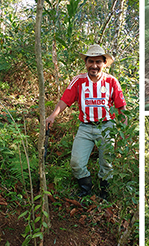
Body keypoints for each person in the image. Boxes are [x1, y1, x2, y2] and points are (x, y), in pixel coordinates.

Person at [44, 44, 127, 200]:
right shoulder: (79, 81)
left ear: (104, 63)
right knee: (76, 162)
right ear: (86, 62)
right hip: (85, 127)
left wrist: (124, 131)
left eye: (98, 62)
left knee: (107, 163)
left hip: (107, 127)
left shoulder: (111, 81)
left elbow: (121, 108)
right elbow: (65, 101)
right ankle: (86, 190)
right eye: (91, 61)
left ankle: (104, 193)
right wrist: (52, 115)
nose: (94, 66)